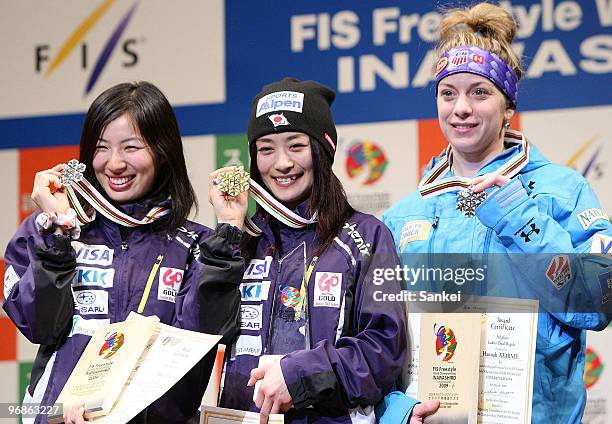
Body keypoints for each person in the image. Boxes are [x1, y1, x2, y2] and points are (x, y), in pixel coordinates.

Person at [382, 3, 612, 423]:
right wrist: (396, 410)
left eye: (479, 92)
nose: (461, 108)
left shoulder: (563, 191)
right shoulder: (404, 215)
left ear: (508, 106)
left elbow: (597, 302)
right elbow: (380, 336)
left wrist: (516, 214)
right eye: (448, 93)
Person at [2, 81, 248, 424]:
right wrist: (58, 232)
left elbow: (205, 336)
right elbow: (38, 326)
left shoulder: (196, 246)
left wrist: (227, 236)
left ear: (162, 152)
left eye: (131, 147)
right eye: (101, 148)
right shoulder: (50, 231)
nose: (114, 163)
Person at [216, 77, 437, 424]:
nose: (282, 163)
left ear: (323, 149)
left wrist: (300, 374)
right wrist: (228, 232)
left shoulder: (366, 236)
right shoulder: (242, 240)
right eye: (266, 149)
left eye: (296, 145)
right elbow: (203, 338)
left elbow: (383, 350)